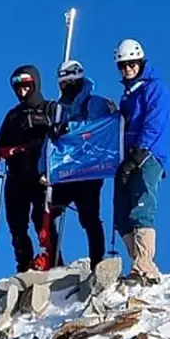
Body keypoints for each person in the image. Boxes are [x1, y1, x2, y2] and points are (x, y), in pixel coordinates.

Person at [41, 60, 117, 271]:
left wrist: (68, 127)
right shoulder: (59, 109)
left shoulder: (95, 103)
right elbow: (50, 143)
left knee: (89, 216)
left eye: (70, 83)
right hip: (66, 171)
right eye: (62, 84)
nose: (66, 88)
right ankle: (54, 262)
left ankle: (97, 263)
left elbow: (97, 129)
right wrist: (43, 169)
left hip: (89, 169)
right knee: (44, 212)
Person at [113, 39, 170, 285]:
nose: (127, 69)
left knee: (141, 207)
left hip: (147, 156)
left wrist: (139, 152)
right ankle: (137, 261)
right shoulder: (128, 95)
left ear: (140, 63)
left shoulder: (154, 88)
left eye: (131, 64)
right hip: (127, 156)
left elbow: (154, 122)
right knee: (121, 214)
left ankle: (145, 265)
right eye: (123, 66)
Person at [0, 65, 58, 272]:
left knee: (41, 219)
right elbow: (0, 144)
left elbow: (63, 138)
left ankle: (52, 261)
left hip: (40, 175)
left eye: (27, 86)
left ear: (35, 85)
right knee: (16, 223)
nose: (22, 91)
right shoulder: (13, 115)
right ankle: (24, 264)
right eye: (19, 88)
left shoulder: (50, 109)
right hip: (16, 176)